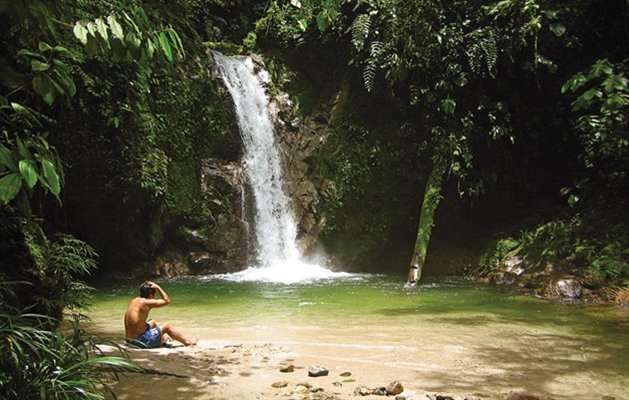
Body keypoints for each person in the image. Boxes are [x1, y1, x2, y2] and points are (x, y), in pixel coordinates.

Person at [124, 281, 197, 348]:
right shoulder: (145, 303)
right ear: (151, 295)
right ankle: (188, 343)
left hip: (129, 341)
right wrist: (158, 287)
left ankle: (164, 341)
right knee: (167, 327)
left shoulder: (135, 300)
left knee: (152, 322)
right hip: (139, 342)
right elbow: (167, 300)